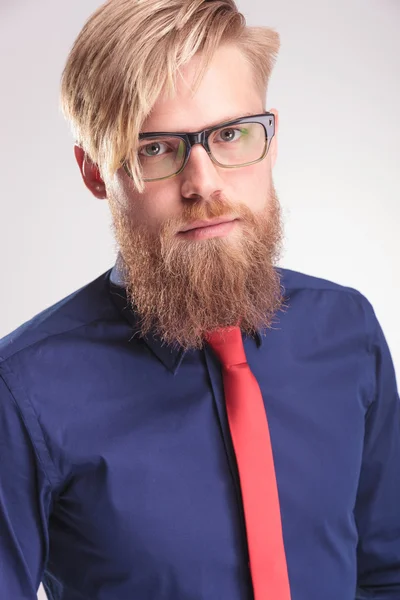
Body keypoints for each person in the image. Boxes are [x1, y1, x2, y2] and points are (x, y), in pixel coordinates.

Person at [1, 0, 399, 598]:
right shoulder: (22, 390)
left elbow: (387, 573)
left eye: (232, 135)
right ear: (93, 172)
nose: (205, 182)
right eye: (155, 149)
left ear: (270, 138)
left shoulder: (348, 331)